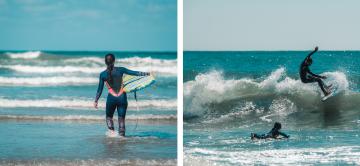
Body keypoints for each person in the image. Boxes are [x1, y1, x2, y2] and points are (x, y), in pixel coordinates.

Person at [94, 53, 150, 137]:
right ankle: (122, 137)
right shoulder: (121, 70)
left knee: (109, 117)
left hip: (111, 98)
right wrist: (146, 74)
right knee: (121, 118)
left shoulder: (103, 74)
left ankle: (112, 135)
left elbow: (99, 89)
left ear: (105, 62)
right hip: (122, 97)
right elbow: (134, 73)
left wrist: (96, 100)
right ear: (114, 61)